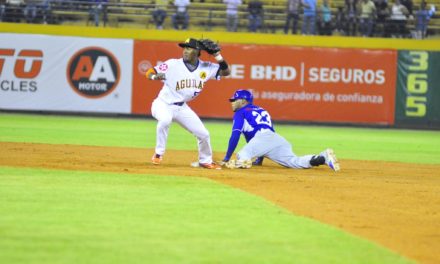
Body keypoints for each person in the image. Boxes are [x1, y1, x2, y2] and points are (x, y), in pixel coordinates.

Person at [145, 38, 231, 169]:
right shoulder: (172, 64)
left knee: (204, 134)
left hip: (181, 108)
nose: (185, 51)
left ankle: (205, 160)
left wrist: (217, 56)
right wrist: (154, 77)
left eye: (189, 48)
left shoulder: (206, 67)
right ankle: (158, 154)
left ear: (197, 51)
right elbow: (150, 72)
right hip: (162, 104)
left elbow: (226, 72)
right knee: (165, 120)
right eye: (184, 48)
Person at [221, 90, 340, 171]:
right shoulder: (262, 110)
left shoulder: (240, 112)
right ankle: (323, 157)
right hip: (276, 139)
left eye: (234, 100)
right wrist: (259, 158)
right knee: (295, 162)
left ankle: (243, 161)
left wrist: (226, 158)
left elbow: (235, 135)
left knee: (242, 155)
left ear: (243, 101)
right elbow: (262, 138)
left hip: (263, 139)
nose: (232, 102)